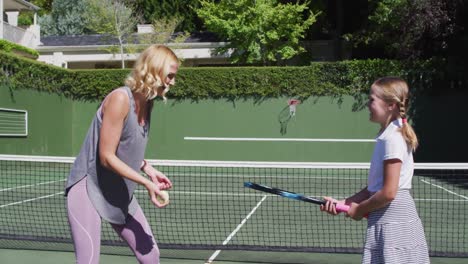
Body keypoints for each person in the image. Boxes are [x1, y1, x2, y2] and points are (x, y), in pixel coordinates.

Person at [65, 45, 179, 264]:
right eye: (170, 75)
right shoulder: (120, 99)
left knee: (151, 255)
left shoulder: (147, 105)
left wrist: (148, 168)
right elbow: (107, 156)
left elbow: (125, 146)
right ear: (154, 70)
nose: (172, 82)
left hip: (117, 191)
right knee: (88, 261)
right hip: (88, 187)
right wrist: (147, 183)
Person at [321, 77, 429, 263]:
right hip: (388, 217)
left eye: (372, 99)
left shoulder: (392, 139)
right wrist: (343, 203)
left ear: (391, 105)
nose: (367, 104)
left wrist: (360, 210)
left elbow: (388, 193)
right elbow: (374, 188)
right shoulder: (388, 135)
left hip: (393, 220)